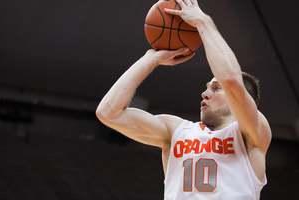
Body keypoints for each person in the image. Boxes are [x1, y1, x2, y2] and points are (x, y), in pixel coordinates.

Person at [96, 0, 271, 199]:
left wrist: (204, 23)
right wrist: (150, 59)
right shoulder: (176, 131)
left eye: (216, 88)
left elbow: (230, 80)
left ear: (239, 99)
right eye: (207, 88)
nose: (205, 94)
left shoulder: (252, 132)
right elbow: (109, 113)